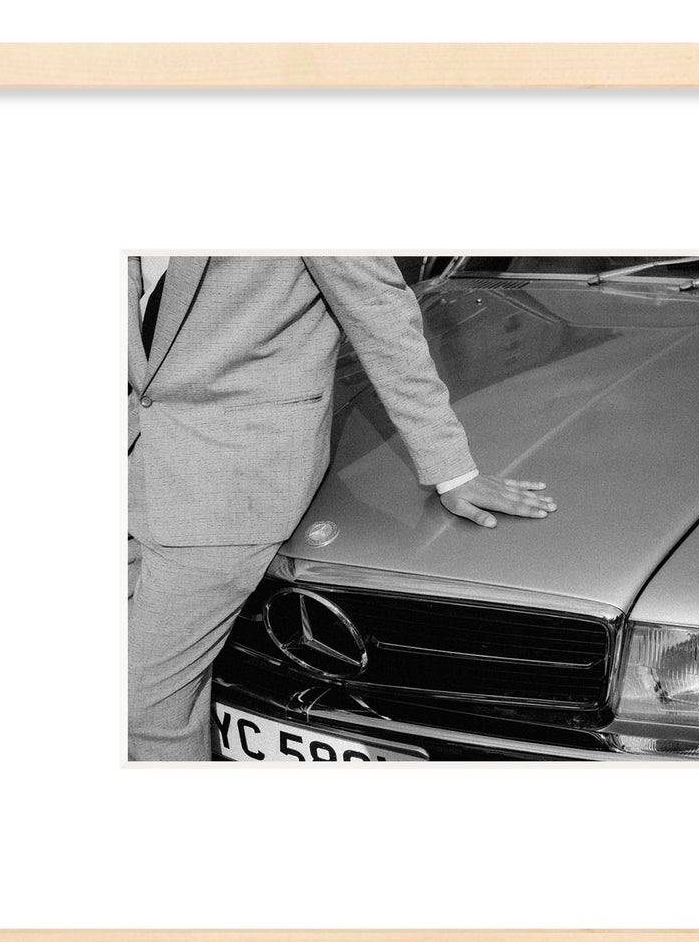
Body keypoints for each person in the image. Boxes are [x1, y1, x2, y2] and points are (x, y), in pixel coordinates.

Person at [127, 255, 555, 762]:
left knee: (142, 706)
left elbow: (380, 313)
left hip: (234, 476)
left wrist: (452, 470)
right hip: (137, 457)